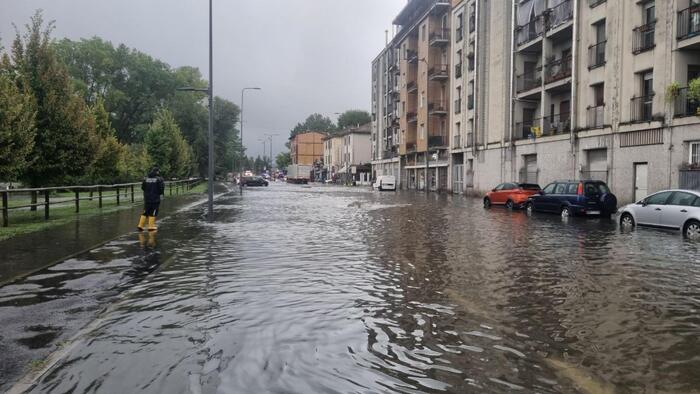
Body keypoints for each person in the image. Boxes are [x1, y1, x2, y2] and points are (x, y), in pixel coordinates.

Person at [137, 166, 165, 232]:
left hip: (147, 198)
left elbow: (143, 188)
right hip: (155, 199)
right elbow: (161, 189)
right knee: (154, 211)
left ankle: (140, 225)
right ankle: (151, 226)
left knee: (145, 211)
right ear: (157, 172)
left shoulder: (146, 179)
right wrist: (159, 193)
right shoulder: (159, 179)